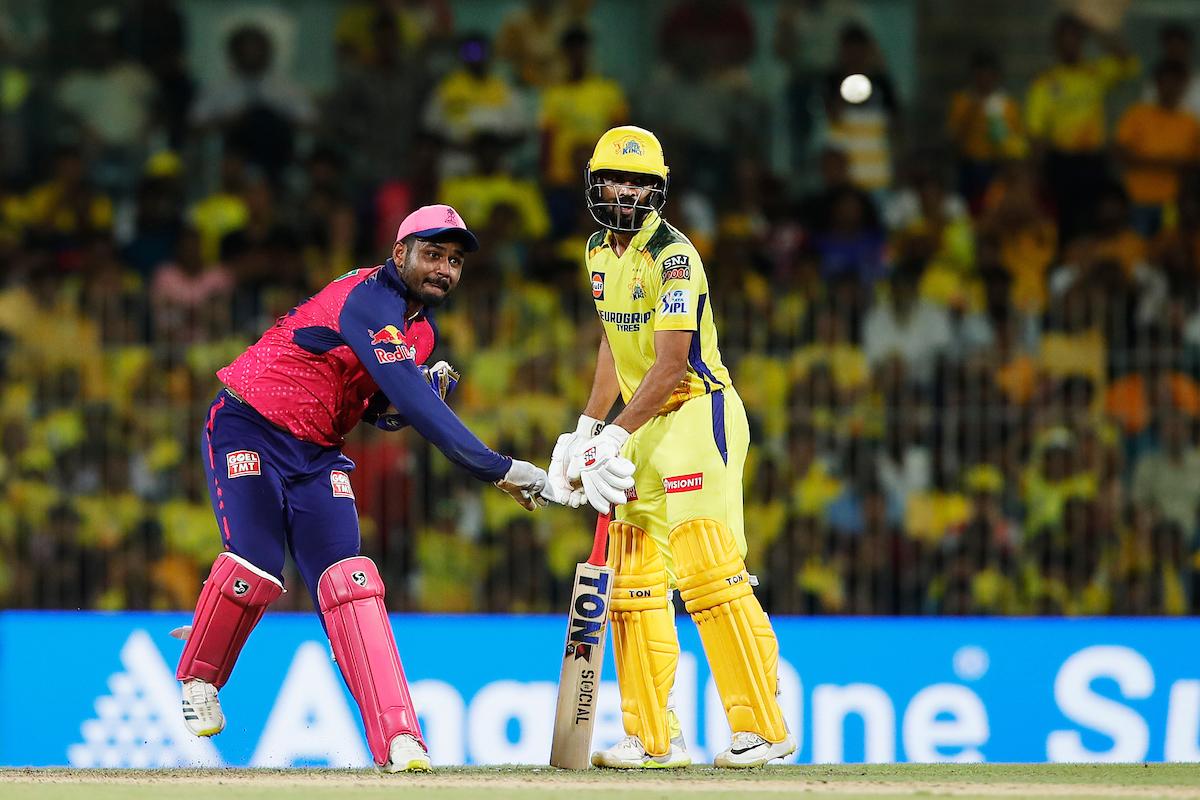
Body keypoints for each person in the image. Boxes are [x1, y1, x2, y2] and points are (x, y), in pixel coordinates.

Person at [172, 204, 547, 772]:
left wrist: (410, 393)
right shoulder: (367, 299)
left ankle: (400, 740)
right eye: (432, 254)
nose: (444, 269)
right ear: (399, 253)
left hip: (317, 453)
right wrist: (498, 467)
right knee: (256, 565)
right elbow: (416, 408)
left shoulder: (420, 332)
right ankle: (199, 676)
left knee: (352, 581)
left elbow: (380, 410)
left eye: (454, 260)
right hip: (249, 423)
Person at [542, 126, 796, 768]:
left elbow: (673, 363)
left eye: (639, 183)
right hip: (642, 423)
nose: (625, 193)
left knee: (706, 566)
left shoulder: (673, 256)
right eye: (615, 181)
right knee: (630, 578)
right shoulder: (599, 251)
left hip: (695, 414)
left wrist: (616, 433)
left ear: (657, 189)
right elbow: (613, 342)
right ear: (595, 185)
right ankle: (653, 739)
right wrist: (587, 425)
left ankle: (764, 728)